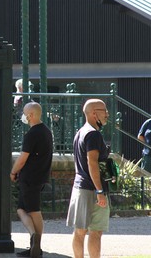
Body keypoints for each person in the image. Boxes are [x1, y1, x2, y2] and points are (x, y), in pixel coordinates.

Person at [66, 99, 110, 258]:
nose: (107, 114)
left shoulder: (81, 132)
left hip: (80, 187)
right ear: (93, 113)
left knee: (80, 232)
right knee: (94, 232)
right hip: (92, 189)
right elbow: (92, 162)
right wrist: (99, 190)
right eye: (104, 110)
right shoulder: (93, 134)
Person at [10, 102, 53, 258]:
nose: (23, 116)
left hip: (29, 177)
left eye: (25, 113)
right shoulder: (47, 132)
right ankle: (36, 245)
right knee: (26, 209)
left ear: (31, 115)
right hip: (41, 176)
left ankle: (35, 238)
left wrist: (13, 171)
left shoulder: (32, 134)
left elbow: (22, 158)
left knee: (32, 210)